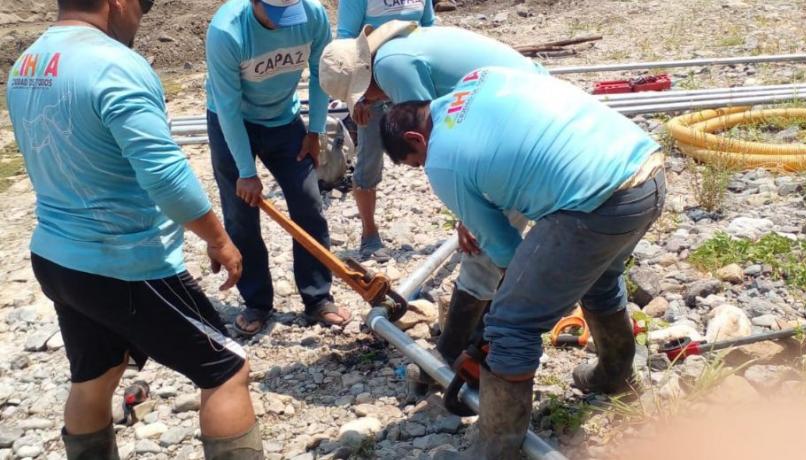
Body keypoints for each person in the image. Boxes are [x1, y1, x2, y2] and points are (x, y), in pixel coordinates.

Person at [6, 0, 262, 458]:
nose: (141, 17)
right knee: (226, 370)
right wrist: (219, 239)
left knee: (95, 376)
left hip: (56, 258)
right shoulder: (114, 64)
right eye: (141, 6)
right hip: (123, 263)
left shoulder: (27, 63)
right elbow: (165, 176)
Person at [380, 67, 666, 458]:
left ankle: (495, 449)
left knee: (512, 323)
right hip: (645, 170)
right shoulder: (479, 78)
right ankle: (615, 375)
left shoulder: (441, 160)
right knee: (599, 278)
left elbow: (503, 248)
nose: (423, 168)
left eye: (416, 161)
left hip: (599, 203)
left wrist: (509, 312)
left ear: (416, 139)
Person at [320, 22, 548, 378]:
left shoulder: (391, 67)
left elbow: (433, 142)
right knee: (491, 236)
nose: (372, 102)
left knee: (482, 244)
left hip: (522, 114)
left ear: (364, 80)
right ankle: (486, 329)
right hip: (525, 99)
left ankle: (454, 354)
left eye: (366, 96)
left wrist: (466, 215)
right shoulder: (397, 49)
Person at [206, 0, 351, 335]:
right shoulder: (227, 32)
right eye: (275, 16)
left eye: (289, 15)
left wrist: (315, 131)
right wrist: (246, 171)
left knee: (308, 202)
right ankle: (257, 302)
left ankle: (318, 298)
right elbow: (227, 106)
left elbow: (321, 74)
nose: (283, 25)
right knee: (241, 214)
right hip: (231, 120)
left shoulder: (312, 15)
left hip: (283, 119)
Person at [335, 2, 434, 261]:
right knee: (369, 159)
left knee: (437, 145)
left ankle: (466, 220)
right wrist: (355, 97)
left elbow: (429, 28)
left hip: (410, 77)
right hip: (371, 87)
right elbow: (345, 43)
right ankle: (369, 233)